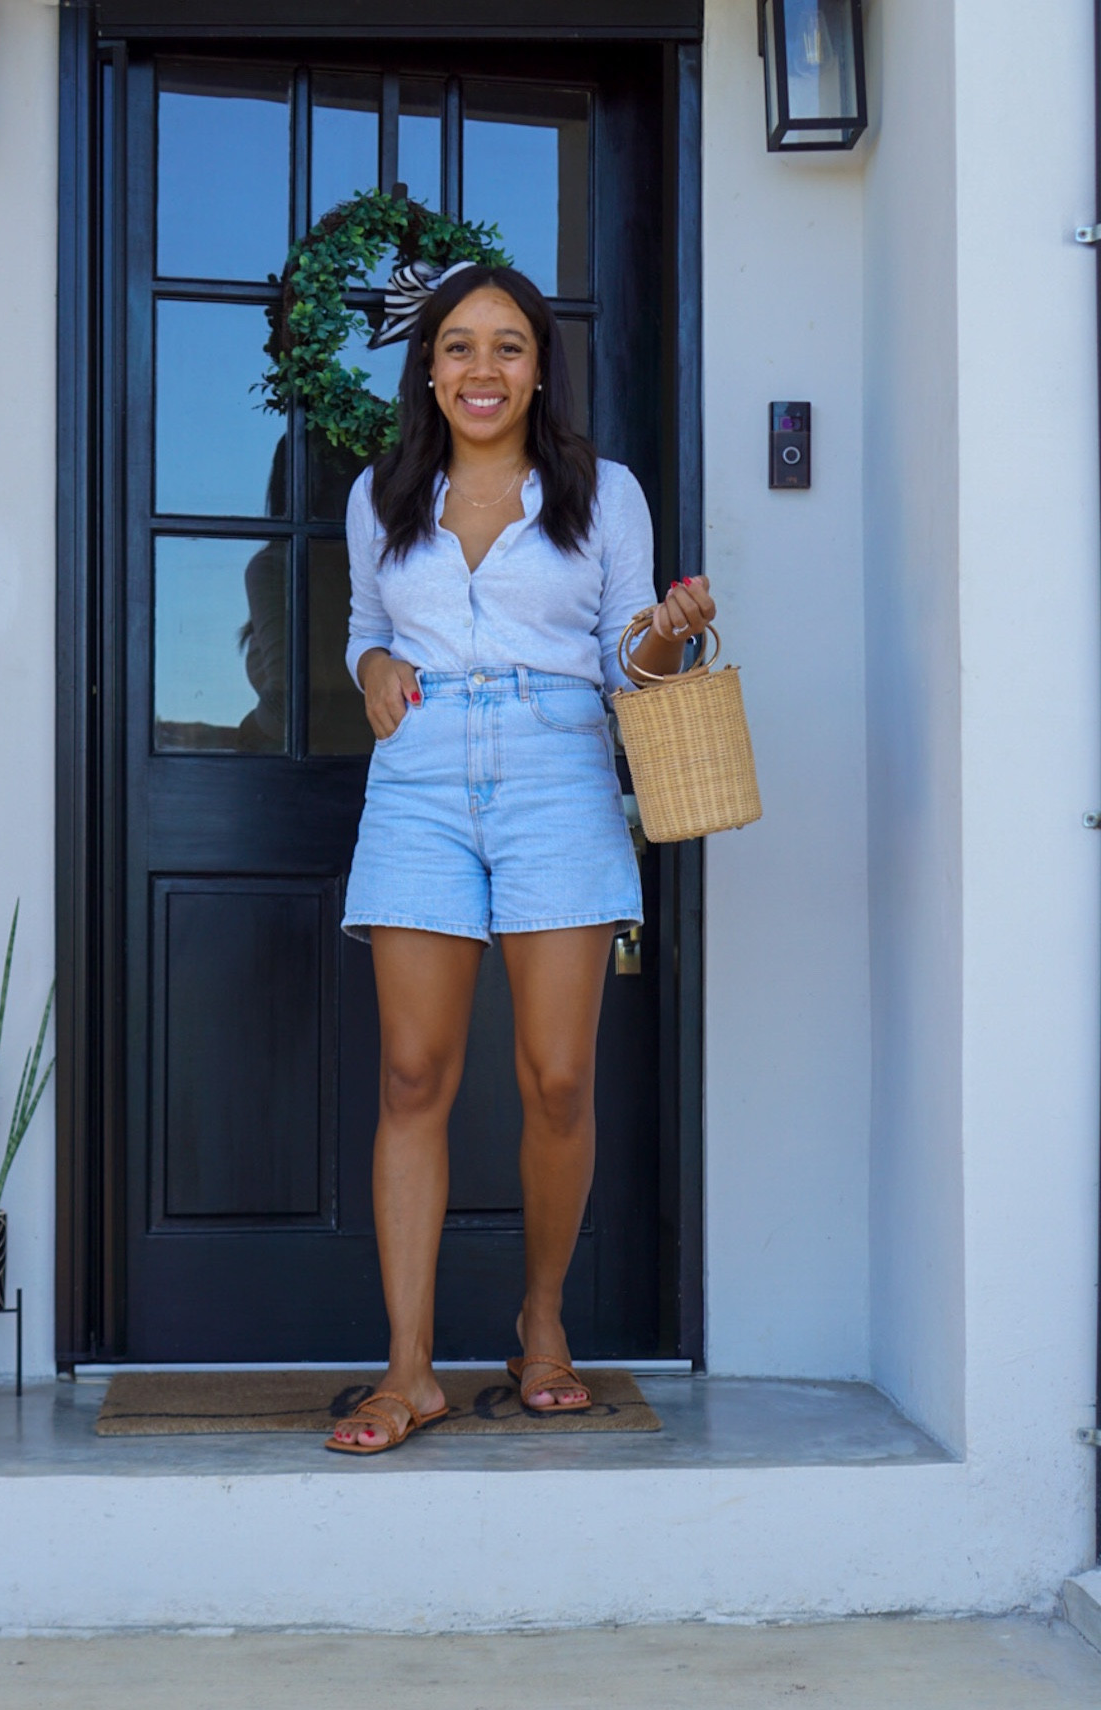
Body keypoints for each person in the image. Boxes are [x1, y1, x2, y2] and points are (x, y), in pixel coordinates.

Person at [326, 263, 715, 1454]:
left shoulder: (601, 493)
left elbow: (625, 659)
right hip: (423, 780)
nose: (480, 370)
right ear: (428, 371)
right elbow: (364, 629)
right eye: (457, 347)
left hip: (556, 773)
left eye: (505, 347)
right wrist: (370, 670)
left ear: (540, 366)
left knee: (555, 1079)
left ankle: (541, 1322)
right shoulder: (381, 493)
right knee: (411, 1077)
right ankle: (408, 1370)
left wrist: (669, 633)